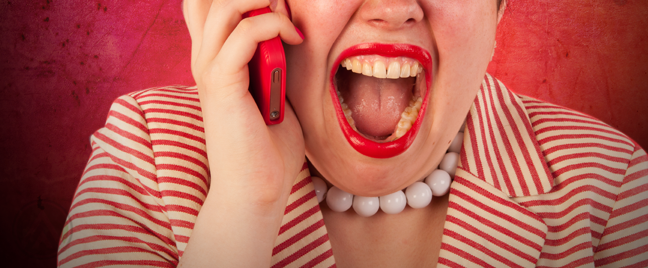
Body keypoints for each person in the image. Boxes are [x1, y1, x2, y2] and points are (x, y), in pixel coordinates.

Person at [57, 0, 648, 267]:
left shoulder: (609, 182)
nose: (393, 9)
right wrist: (245, 205)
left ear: (499, 12)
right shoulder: (145, 151)